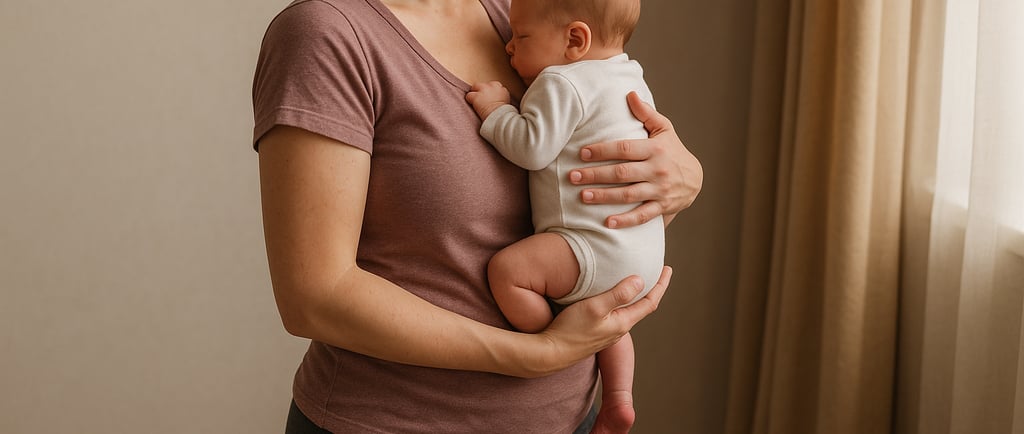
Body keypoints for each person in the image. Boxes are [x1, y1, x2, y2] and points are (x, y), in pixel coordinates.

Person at [252, 0, 702, 432]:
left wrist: (683, 178)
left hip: (573, 416)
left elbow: (595, 193)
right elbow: (315, 297)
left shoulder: (525, 14)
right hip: (399, 421)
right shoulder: (325, 35)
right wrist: (538, 353)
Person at [465, 0, 659, 430]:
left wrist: (496, 109)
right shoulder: (630, 74)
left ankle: (557, 335)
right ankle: (619, 397)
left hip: (590, 246)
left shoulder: (562, 81)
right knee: (610, 326)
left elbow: (531, 147)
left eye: (522, 37)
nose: (509, 47)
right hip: (639, 254)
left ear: (575, 40)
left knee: (508, 271)